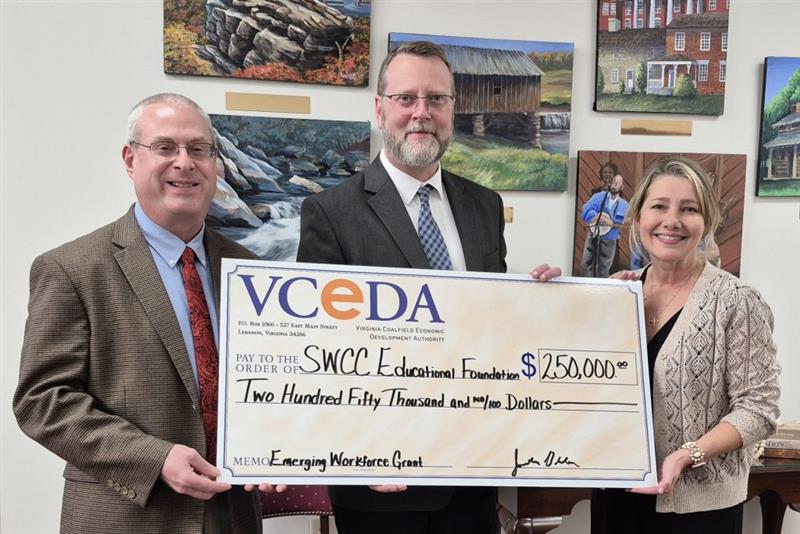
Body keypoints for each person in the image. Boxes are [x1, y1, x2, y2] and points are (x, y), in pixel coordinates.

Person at [296, 41, 560, 534]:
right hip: (380, 477)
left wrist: (534, 302)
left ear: (453, 109)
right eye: (406, 98)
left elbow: (491, 327)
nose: (422, 112)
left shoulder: (484, 205)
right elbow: (317, 351)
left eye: (436, 99)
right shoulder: (331, 212)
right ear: (380, 109)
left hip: (473, 468)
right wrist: (354, 450)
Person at [13, 93, 281, 534]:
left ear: (215, 163)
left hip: (232, 517)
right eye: (165, 147)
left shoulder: (253, 271)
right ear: (130, 159)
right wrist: (155, 459)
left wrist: (283, 445)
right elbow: (43, 402)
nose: (184, 163)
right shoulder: (71, 268)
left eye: (199, 149)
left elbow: (275, 383)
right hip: (126, 516)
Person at [591, 158, 781, 534]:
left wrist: (687, 455)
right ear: (638, 217)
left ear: (706, 221)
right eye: (659, 206)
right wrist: (549, 295)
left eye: (689, 209)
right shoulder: (614, 292)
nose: (672, 220)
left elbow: (759, 410)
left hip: (698, 510)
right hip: (615, 497)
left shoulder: (736, 300)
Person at [580, 173, 629, 277]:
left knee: (604, 269)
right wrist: (597, 216)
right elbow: (585, 210)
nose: (614, 185)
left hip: (610, 239)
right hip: (593, 234)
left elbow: (629, 224)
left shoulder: (624, 206)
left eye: (617, 183)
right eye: (613, 182)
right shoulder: (599, 197)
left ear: (622, 187)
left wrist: (613, 224)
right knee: (586, 265)